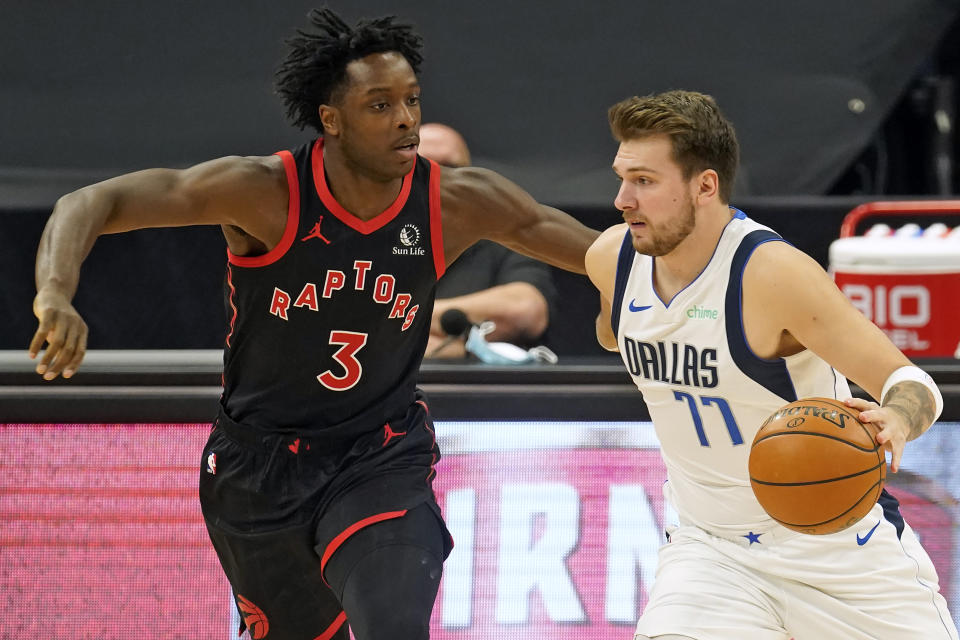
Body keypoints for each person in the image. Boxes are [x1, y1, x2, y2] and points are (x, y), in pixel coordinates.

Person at [28, 9, 598, 640]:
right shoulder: (264, 191)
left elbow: (601, 256)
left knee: (394, 625)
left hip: (378, 452)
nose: (407, 119)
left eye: (411, 100)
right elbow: (90, 201)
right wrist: (56, 293)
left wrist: (671, 287)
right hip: (259, 467)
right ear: (332, 119)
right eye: (380, 106)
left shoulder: (453, 200)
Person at [585, 90, 957, 640]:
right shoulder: (613, 261)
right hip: (711, 552)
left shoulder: (772, 274)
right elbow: (614, 330)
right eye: (622, 177)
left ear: (704, 185)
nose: (622, 199)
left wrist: (898, 418)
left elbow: (910, 382)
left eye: (644, 181)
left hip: (839, 550)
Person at [417, 122, 557, 358]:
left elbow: (526, 310)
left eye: (450, 168)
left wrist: (403, 326)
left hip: (480, 390)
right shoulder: (368, 240)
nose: (437, 179)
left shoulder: (504, 237)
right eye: (420, 167)